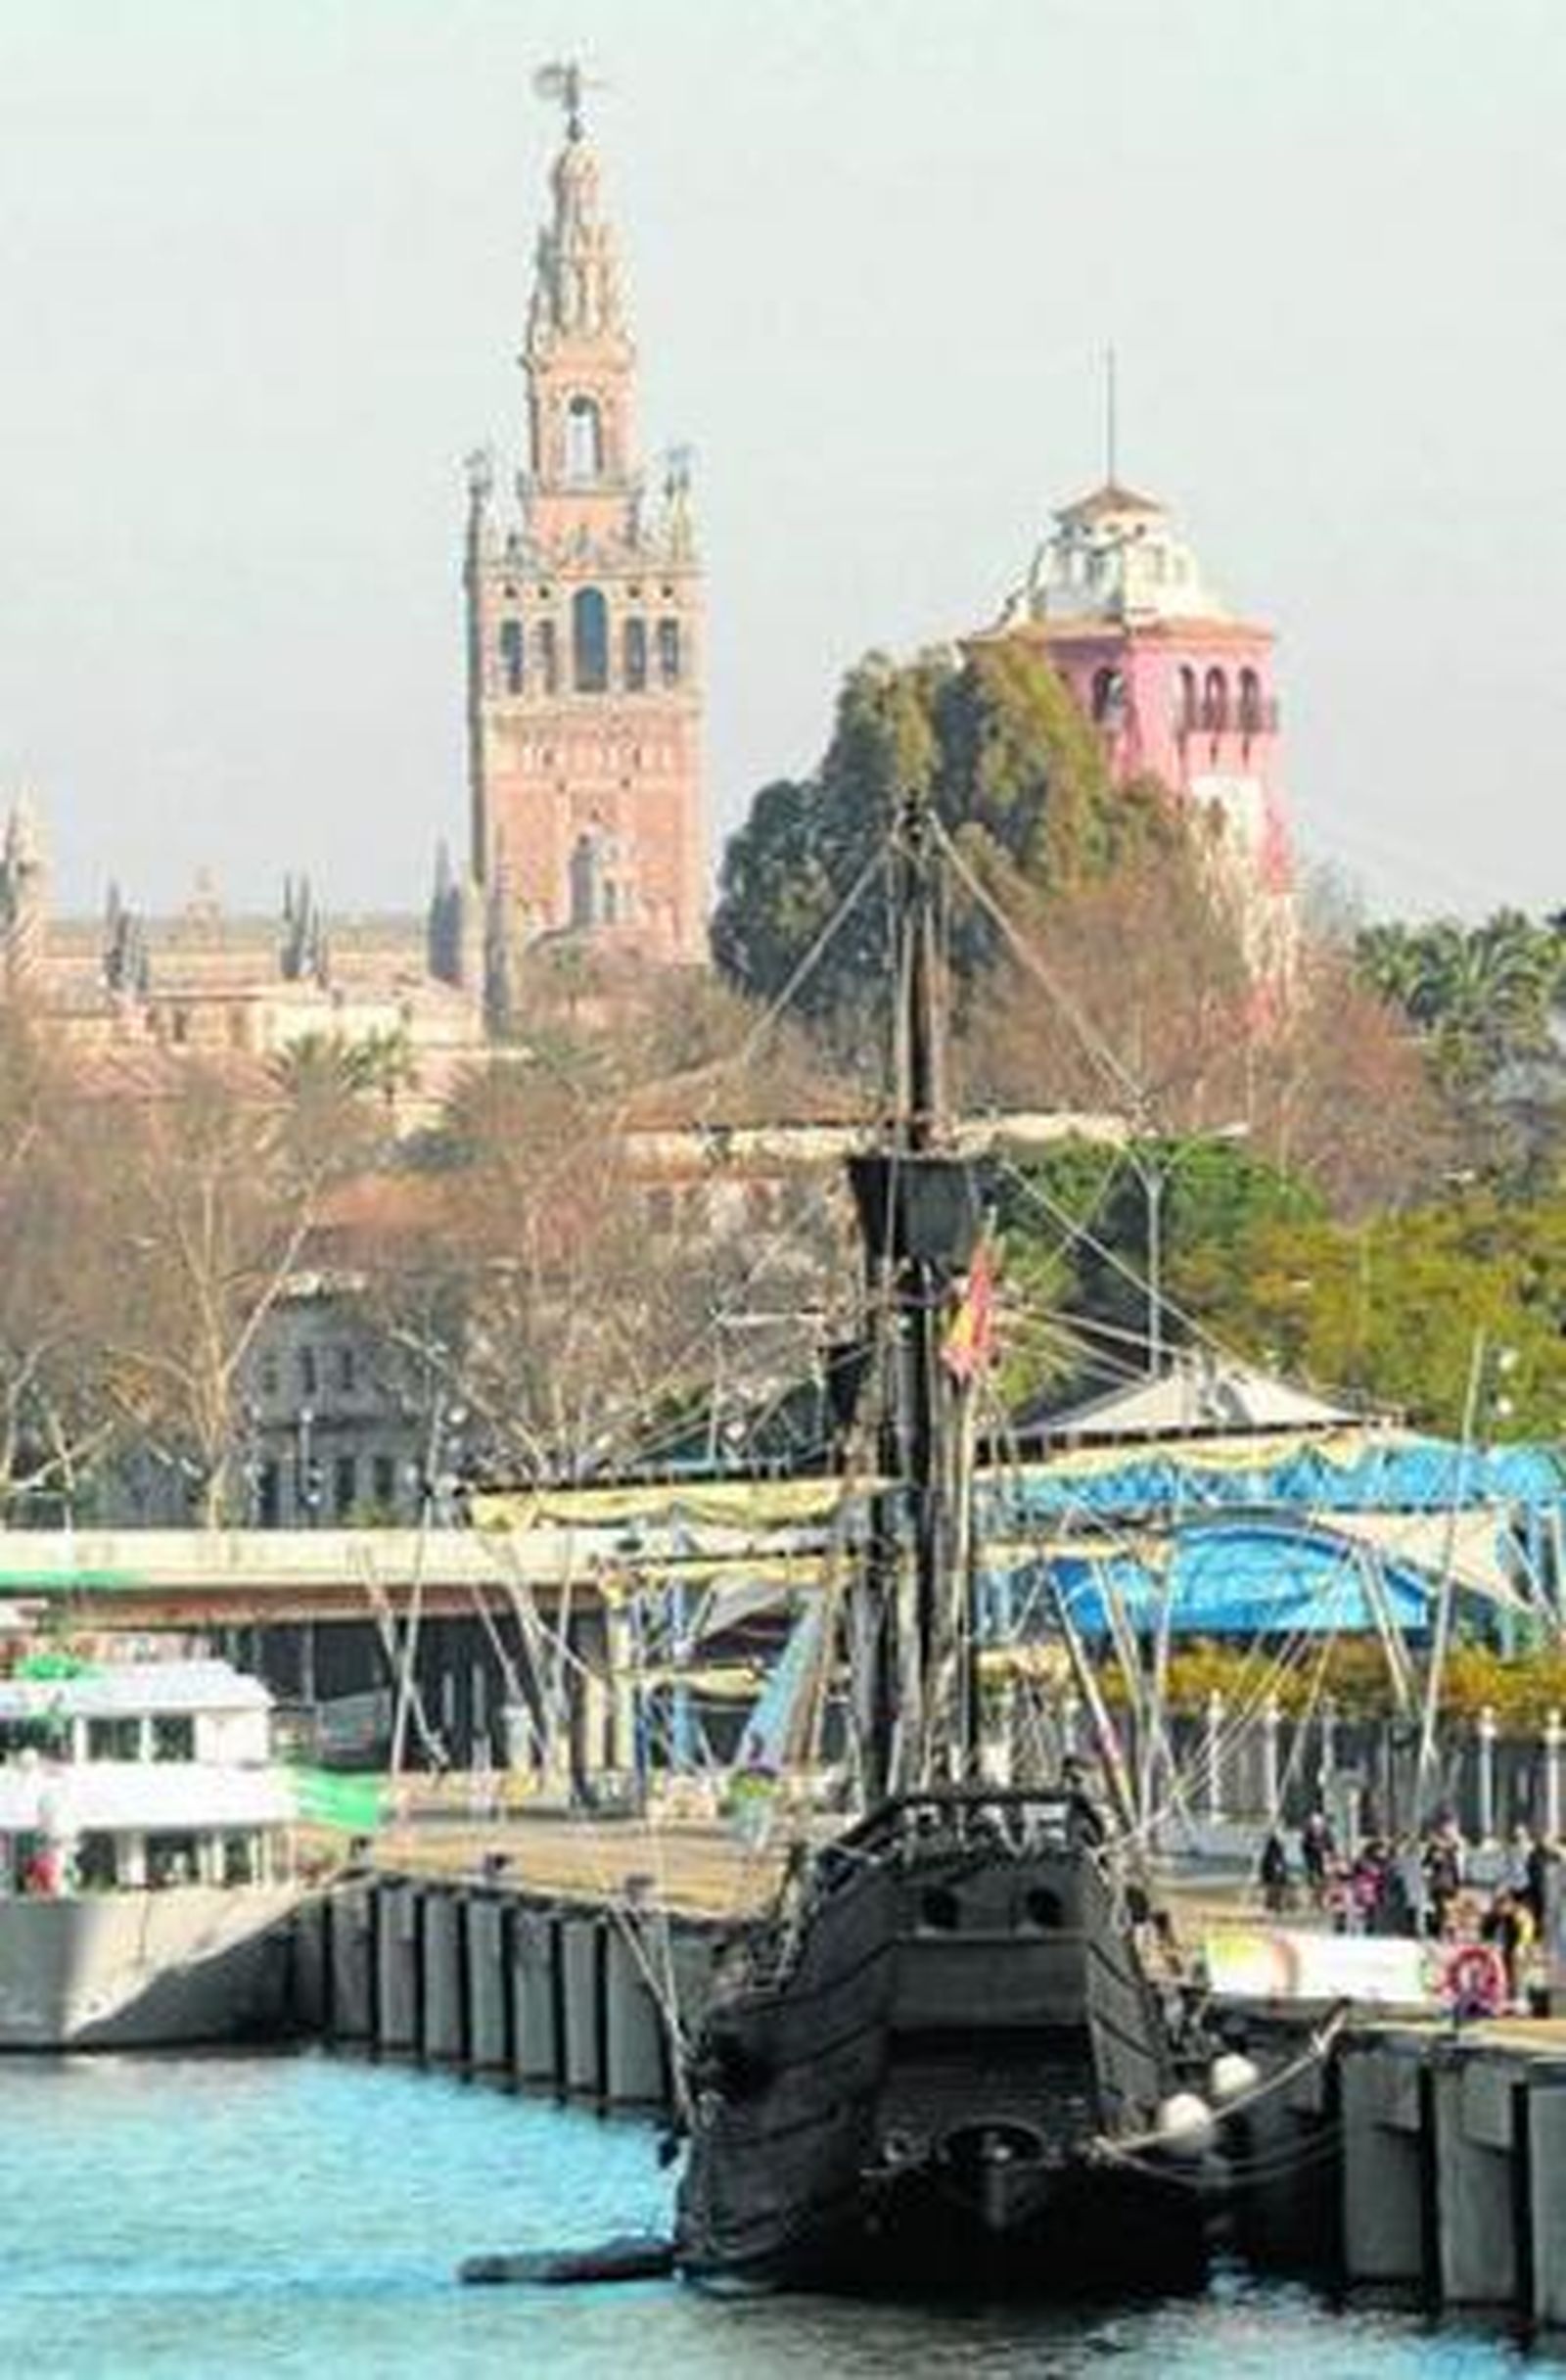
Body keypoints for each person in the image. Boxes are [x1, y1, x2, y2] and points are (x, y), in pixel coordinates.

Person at [1300, 1809, 1334, 1908]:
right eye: (1315, 1827)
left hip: (1324, 1862)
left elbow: (1331, 1847)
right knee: (1314, 1881)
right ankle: (1315, 1900)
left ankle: (1324, 1900)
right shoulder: (1307, 1836)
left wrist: (1327, 1853)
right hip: (1313, 1863)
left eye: (1319, 1827)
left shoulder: (1327, 1834)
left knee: (1325, 1881)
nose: (1317, 1829)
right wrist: (1314, 1847)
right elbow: (1305, 1848)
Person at [1259, 1830, 1290, 1915]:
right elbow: (1271, 1863)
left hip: (1275, 1873)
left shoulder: (1276, 1851)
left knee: (1276, 1889)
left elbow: (1282, 1863)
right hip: (1272, 1873)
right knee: (1273, 1889)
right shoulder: (1273, 1851)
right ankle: (1272, 1905)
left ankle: (1274, 1905)